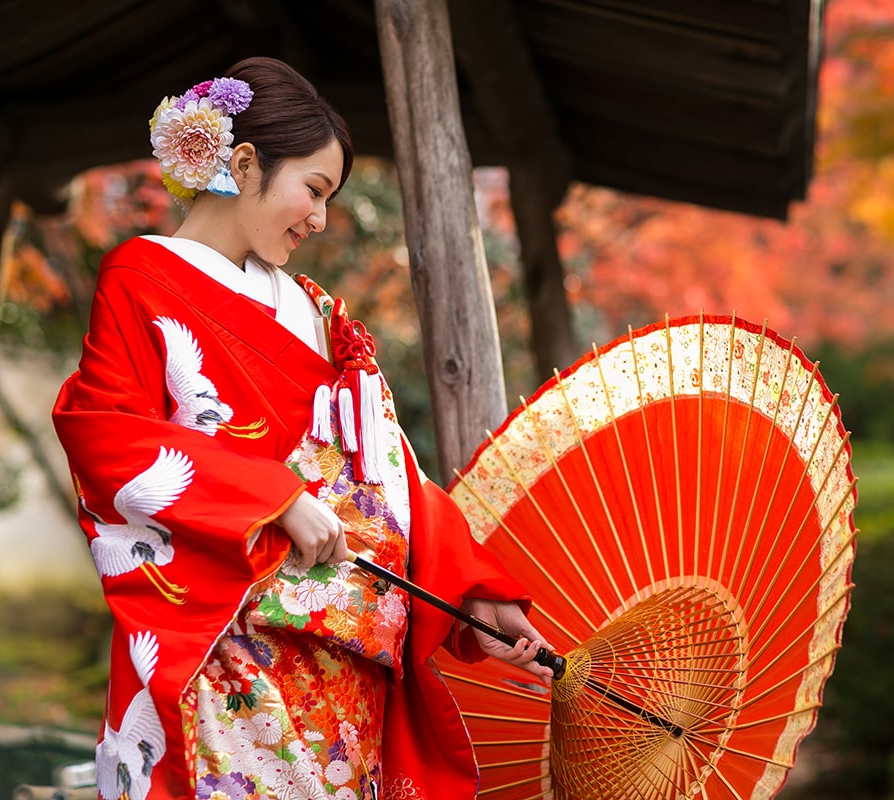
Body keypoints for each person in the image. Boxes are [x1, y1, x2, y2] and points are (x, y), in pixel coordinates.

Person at [52, 56, 553, 800]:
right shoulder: (142, 276)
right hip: (231, 653)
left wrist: (475, 594)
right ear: (246, 164)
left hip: (353, 665)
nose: (320, 218)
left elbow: (386, 471)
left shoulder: (316, 309)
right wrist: (272, 495)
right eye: (313, 190)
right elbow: (103, 430)